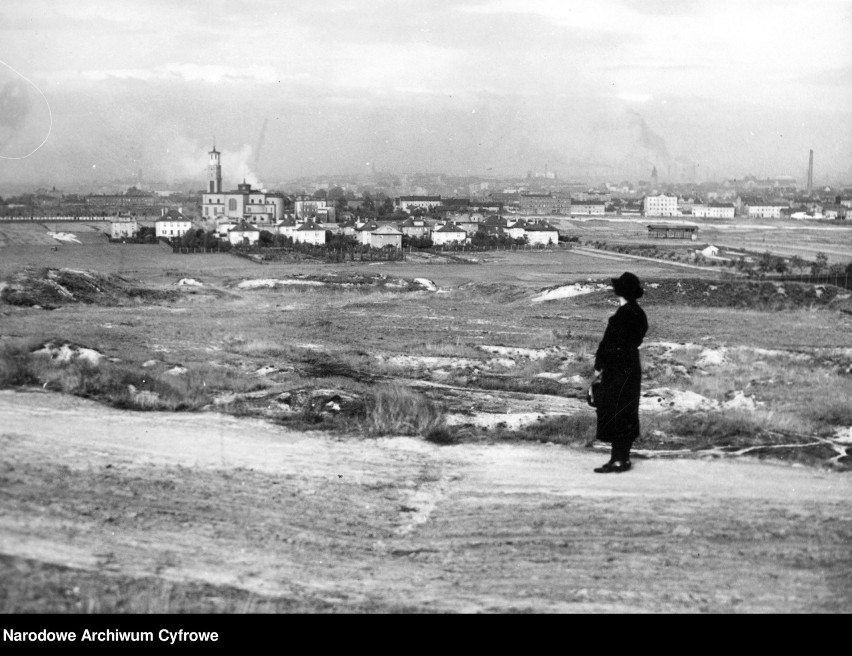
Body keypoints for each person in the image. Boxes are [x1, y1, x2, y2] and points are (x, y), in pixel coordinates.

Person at [591, 272, 648, 473]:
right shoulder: (639, 313)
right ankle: (621, 458)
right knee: (626, 411)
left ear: (620, 292)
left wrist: (599, 367)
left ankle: (618, 460)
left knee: (613, 410)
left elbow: (609, 344)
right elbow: (637, 340)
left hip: (616, 368)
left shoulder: (622, 314)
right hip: (631, 366)